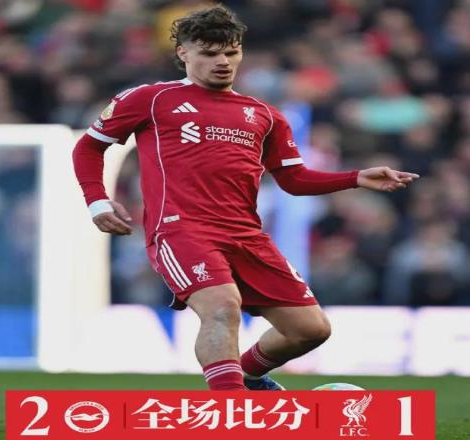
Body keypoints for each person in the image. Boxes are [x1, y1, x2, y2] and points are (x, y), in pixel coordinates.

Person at [72, 5, 419, 390]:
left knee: (310, 329)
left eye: (231, 52)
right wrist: (97, 201)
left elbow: (294, 180)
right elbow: (88, 147)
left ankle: (249, 377)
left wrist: (355, 177)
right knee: (222, 307)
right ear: (183, 53)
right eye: (209, 53)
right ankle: (233, 411)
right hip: (182, 230)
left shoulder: (264, 115)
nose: (222, 62)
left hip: (245, 235)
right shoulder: (150, 99)